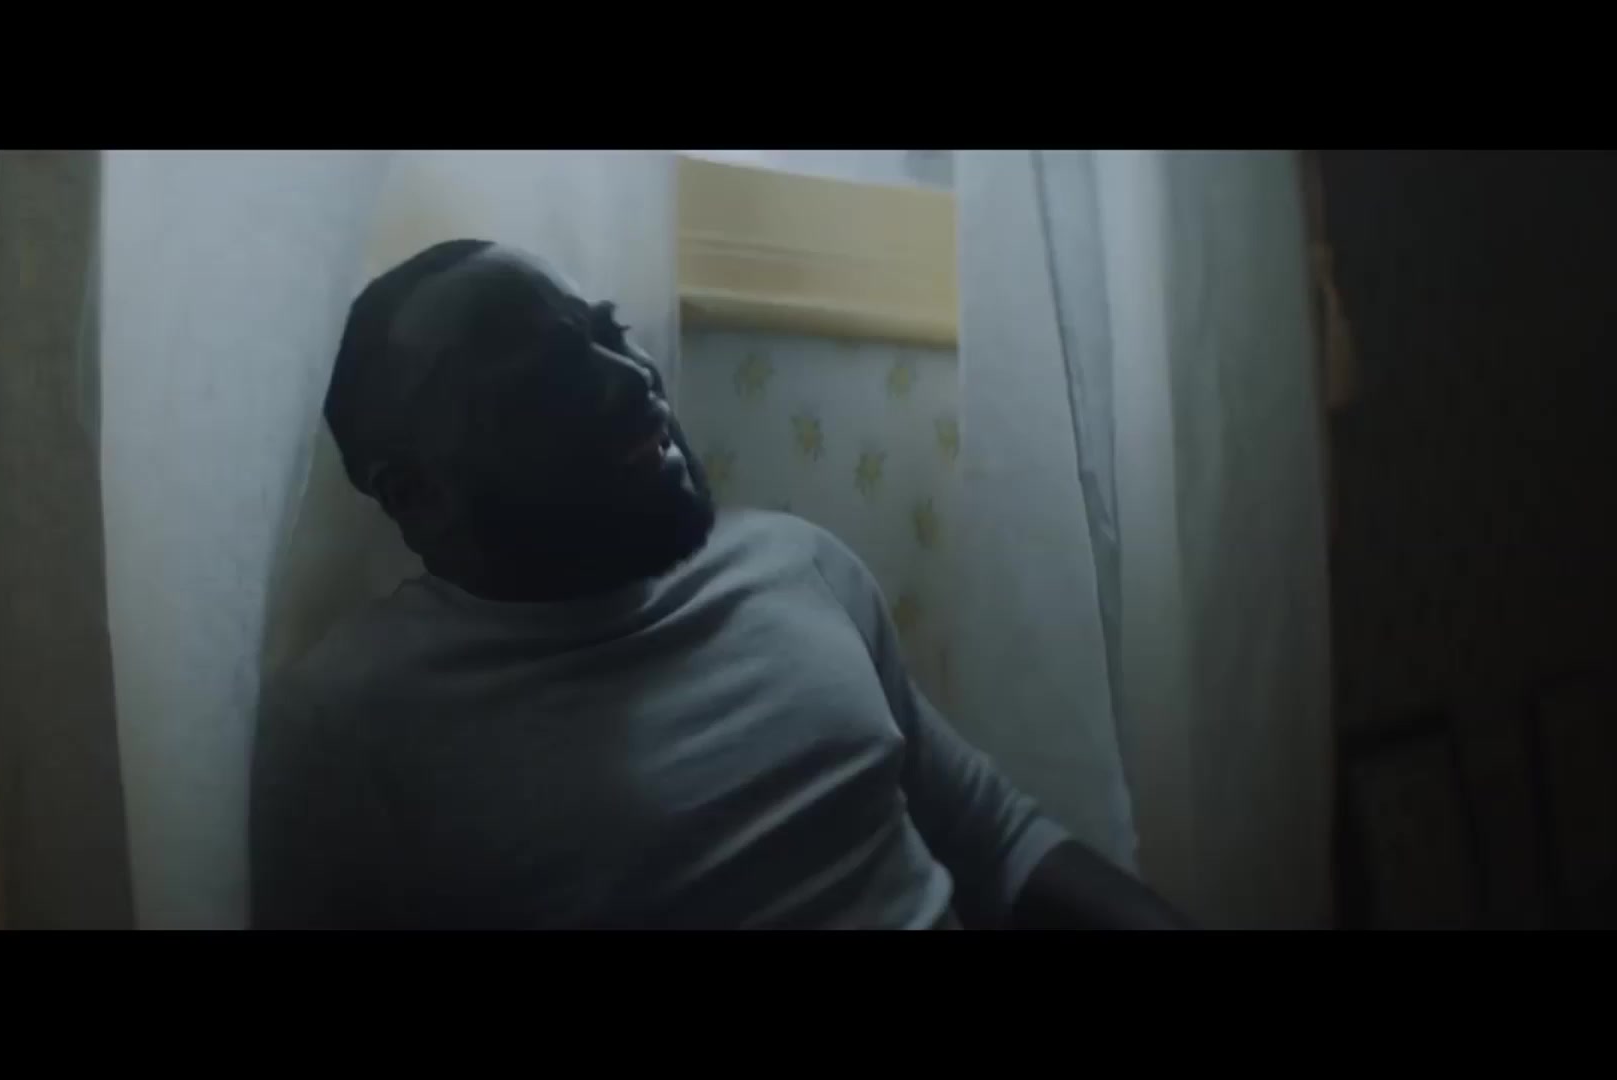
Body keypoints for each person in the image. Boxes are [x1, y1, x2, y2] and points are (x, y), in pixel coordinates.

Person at [250, 239, 1192, 930]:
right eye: (543, 380)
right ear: (415, 494)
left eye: (611, 334)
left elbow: (992, 837)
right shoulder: (351, 731)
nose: (633, 382)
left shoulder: (797, 566)